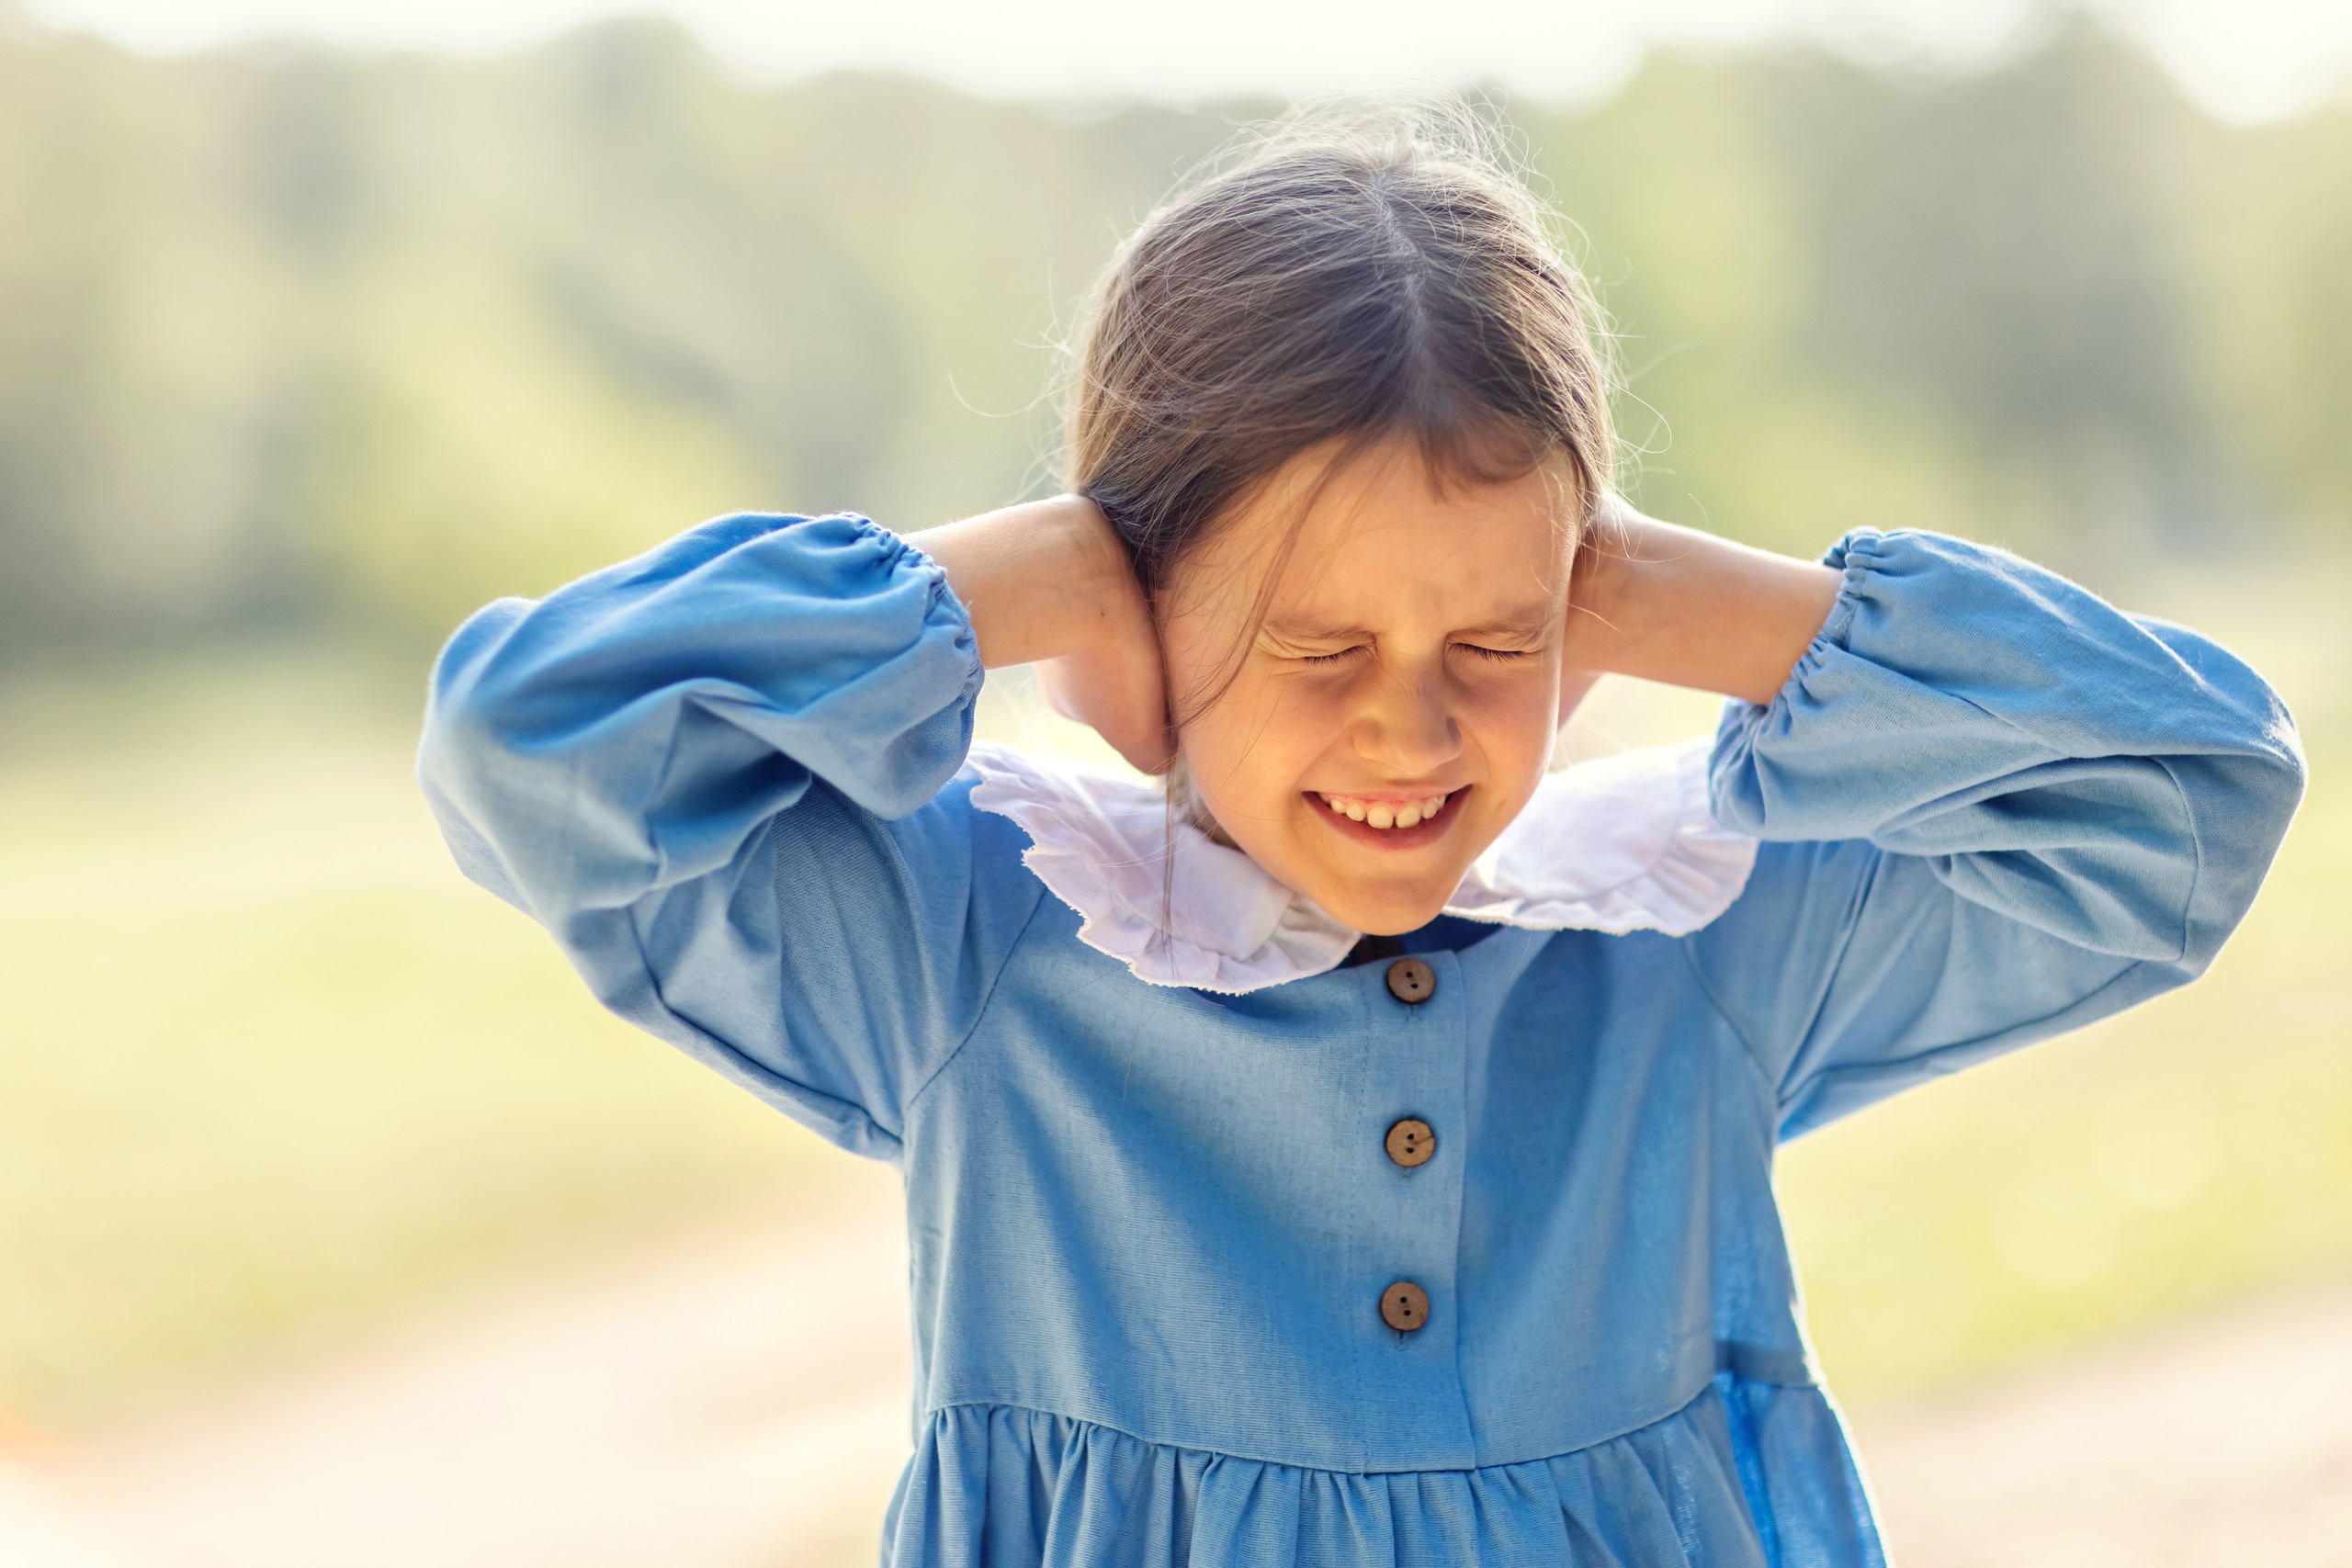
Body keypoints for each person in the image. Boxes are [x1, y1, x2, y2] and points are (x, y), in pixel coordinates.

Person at [416, 108, 2305, 1566]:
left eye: (1493, 639)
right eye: (1315, 649)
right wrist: (1028, 579)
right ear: (1144, 618)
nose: (1410, 729)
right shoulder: (970, 949)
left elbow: (2190, 791)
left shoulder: (1690, 944)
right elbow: (536, 745)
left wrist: (1677, 600)